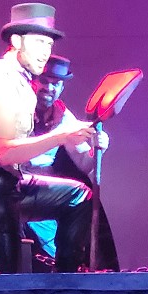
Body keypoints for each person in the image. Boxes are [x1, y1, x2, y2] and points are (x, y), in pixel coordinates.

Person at [0, 2, 96, 274]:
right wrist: (61, 136)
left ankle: (63, 282)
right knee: (2, 278)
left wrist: (95, 146)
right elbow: (5, 152)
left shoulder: (25, 84)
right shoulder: (2, 77)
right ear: (17, 41)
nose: (45, 52)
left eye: (49, 44)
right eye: (39, 42)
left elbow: (85, 163)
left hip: (6, 182)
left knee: (78, 196)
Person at [22, 55, 120, 271]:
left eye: (56, 83)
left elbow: (85, 164)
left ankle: (66, 273)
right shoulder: (16, 107)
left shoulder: (64, 118)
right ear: (33, 80)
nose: (49, 88)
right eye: (44, 81)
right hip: (12, 183)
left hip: (44, 194)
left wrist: (98, 149)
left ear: (62, 87)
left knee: (53, 253)